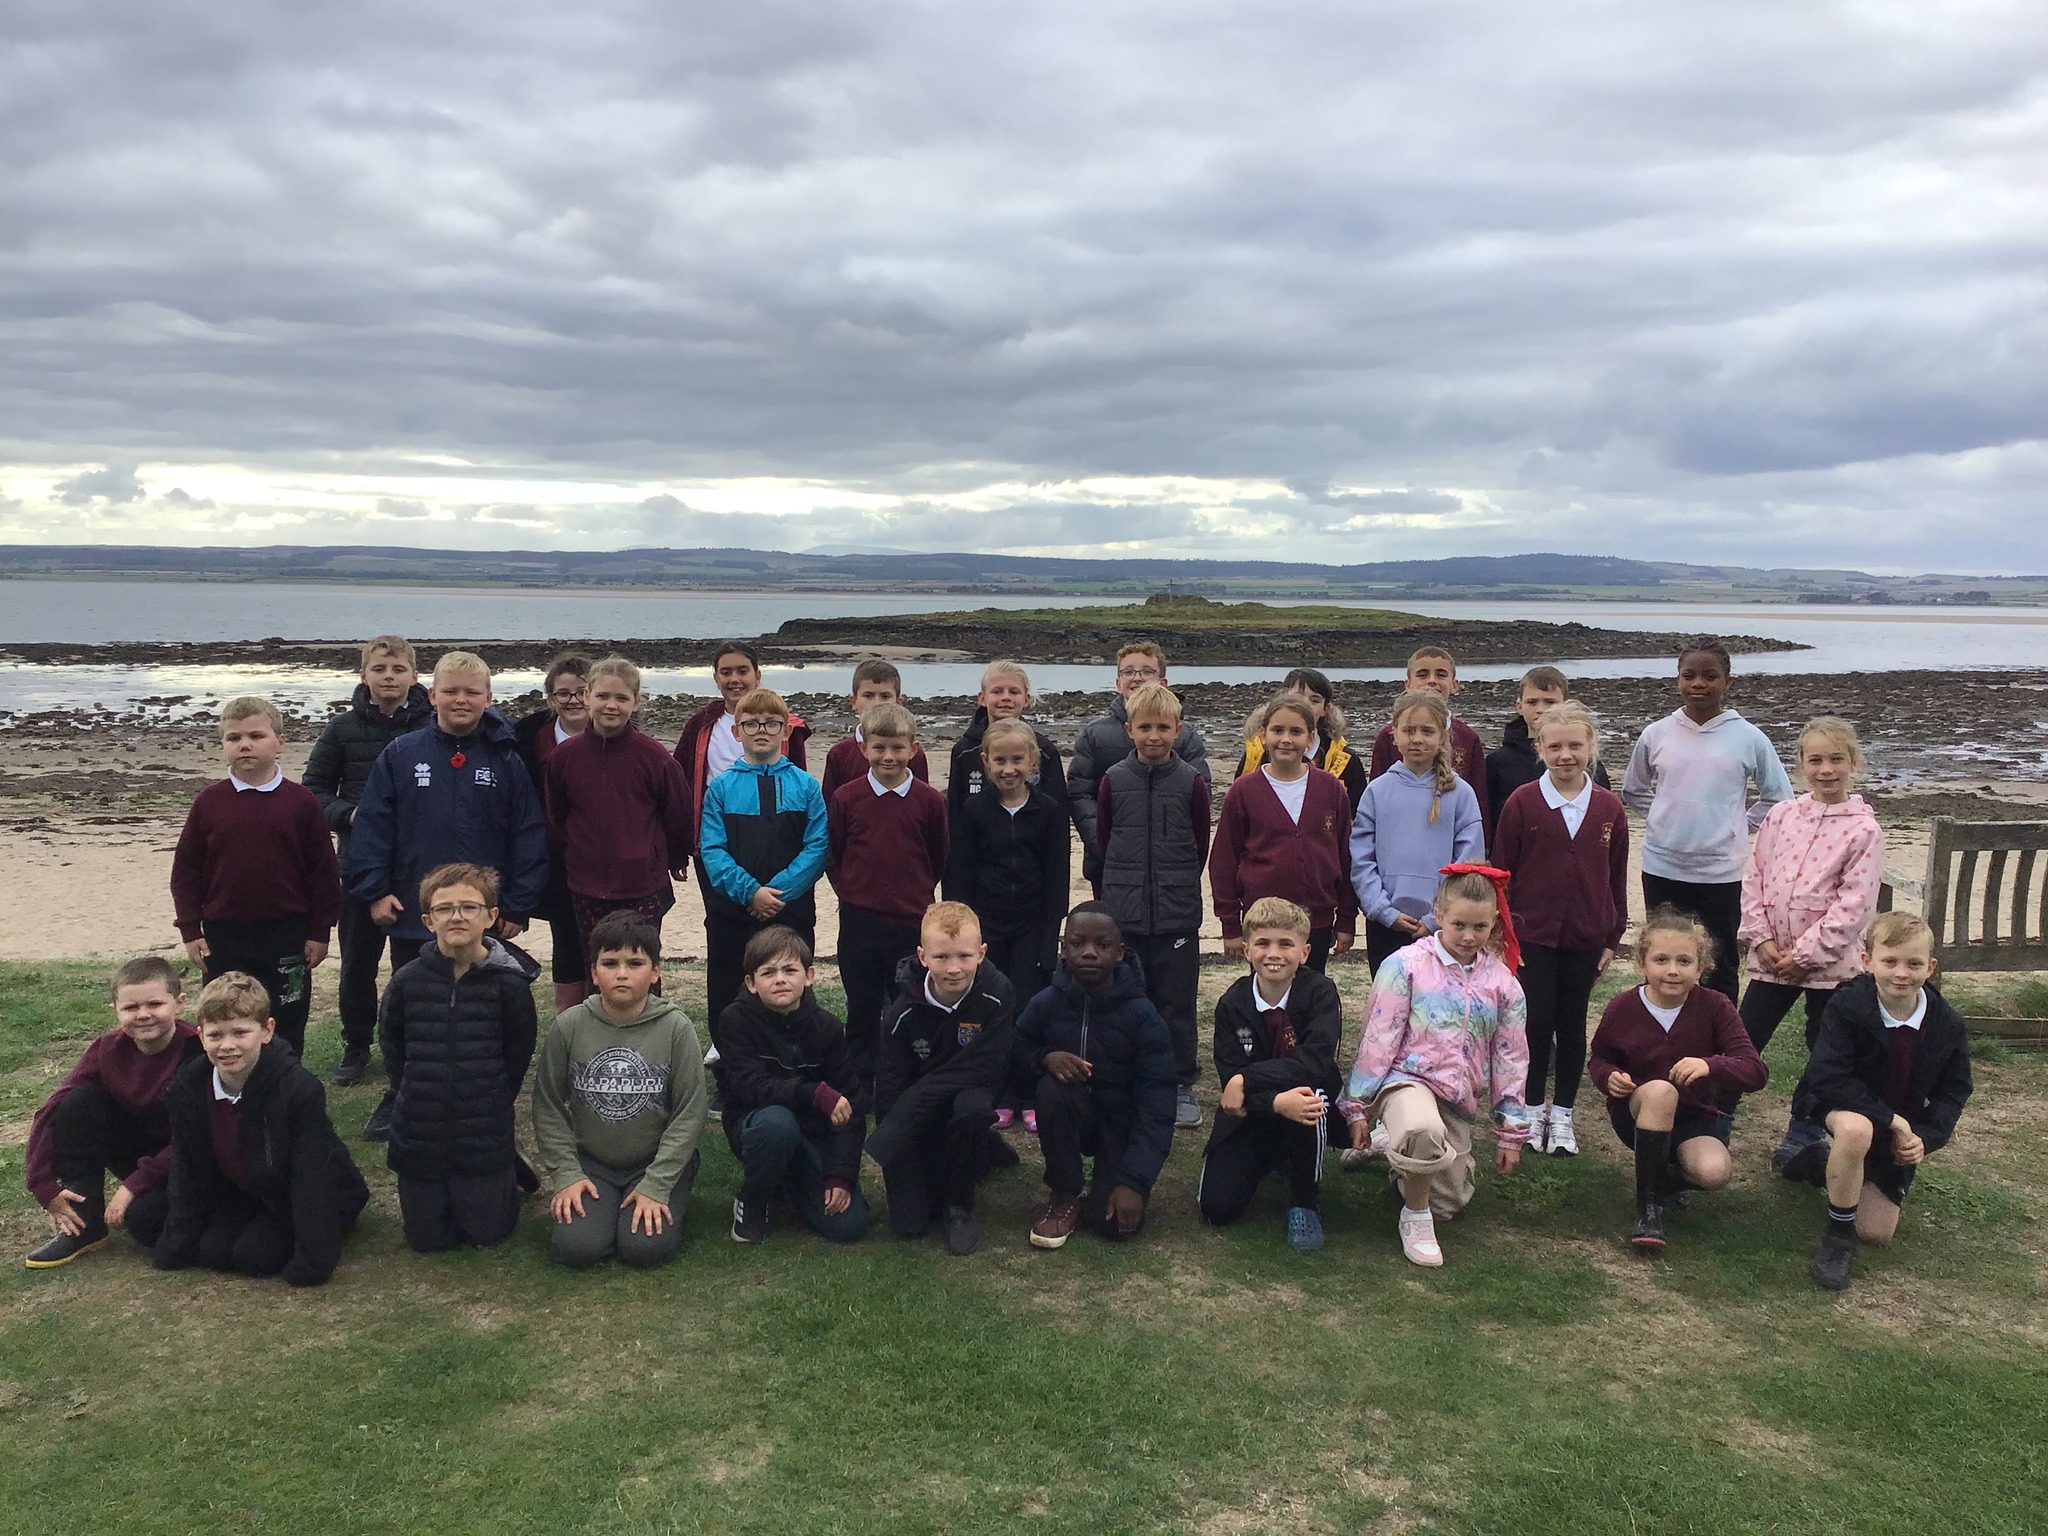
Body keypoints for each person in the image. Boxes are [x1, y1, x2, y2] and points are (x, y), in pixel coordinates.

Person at [348, 650, 548, 1140]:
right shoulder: (401, 754)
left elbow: (528, 832)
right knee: (416, 1009)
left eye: (471, 692)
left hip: (485, 917)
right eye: (451, 690)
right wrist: (374, 891)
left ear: (488, 698)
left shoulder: (504, 759)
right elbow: (372, 826)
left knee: (485, 1008)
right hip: (417, 916)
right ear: (432, 694)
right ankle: (402, 1092)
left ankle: (486, 1092)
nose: (461, 700)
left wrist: (518, 903)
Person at [1337, 868, 1530, 1268]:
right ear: (1438, 914)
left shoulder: (1503, 982)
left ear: (1493, 922)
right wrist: (1357, 1106)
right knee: (1423, 1131)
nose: (1468, 936)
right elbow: (1378, 1037)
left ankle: (1392, 1145)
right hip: (1406, 1081)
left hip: (1458, 1097)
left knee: (1450, 1203)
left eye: (1479, 927)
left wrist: (1510, 1132)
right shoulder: (1405, 965)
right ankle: (1415, 1217)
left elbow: (1511, 1056)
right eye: (1458, 924)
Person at [1784, 912, 1973, 1291]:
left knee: (1876, 1232)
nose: (1901, 973)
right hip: (1836, 1103)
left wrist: (1925, 1135)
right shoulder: (1847, 1006)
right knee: (1856, 1130)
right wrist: (1893, 1120)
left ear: (1931, 967)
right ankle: (1837, 1239)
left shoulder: (1945, 1022)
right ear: (1868, 962)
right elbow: (1828, 1076)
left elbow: (1955, 1089)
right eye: (1890, 962)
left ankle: (1818, 1162)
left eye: (1914, 964)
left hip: (1895, 1123)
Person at [153, 972, 370, 1286]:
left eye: (241, 1032)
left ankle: (329, 1226)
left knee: (254, 1256)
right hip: (246, 1190)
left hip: (296, 1191)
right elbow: (184, 1166)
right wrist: (174, 1247)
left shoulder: (297, 1088)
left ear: (267, 1031)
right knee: (212, 1251)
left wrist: (313, 1263)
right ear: (200, 1036)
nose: (228, 1045)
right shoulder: (189, 1084)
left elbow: (312, 1176)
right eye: (216, 1035)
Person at [1738, 717, 1885, 1163]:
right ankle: (1713, 1115)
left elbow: (1854, 905)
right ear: (1800, 764)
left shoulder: (1864, 831)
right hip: (1771, 957)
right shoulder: (1781, 815)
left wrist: (1806, 955)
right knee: (1744, 1039)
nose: (1826, 769)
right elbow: (1755, 876)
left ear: (1853, 762)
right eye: (1815, 759)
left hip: (1830, 966)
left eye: (1836, 759)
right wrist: (1761, 938)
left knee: (1826, 1051)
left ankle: (1805, 1129)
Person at [1489, 700, 1629, 1156]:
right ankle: (1530, 1107)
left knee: (1572, 1025)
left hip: (1586, 935)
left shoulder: (1609, 808)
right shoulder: (1523, 802)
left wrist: (1613, 936)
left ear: (1591, 746)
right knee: (1535, 1022)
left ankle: (1563, 1114)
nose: (1565, 755)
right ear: (1540, 748)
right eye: (1555, 746)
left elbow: (1616, 878)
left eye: (1575, 745)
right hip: (1532, 936)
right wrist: (1504, 934)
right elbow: (1501, 874)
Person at [532, 910, 709, 1270]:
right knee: (576, 1249)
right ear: (594, 973)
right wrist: (567, 1174)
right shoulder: (569, 1026)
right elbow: (548, 1104)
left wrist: (657, 1184)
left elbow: (690, 1112)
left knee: (645, 1248)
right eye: (610, 963)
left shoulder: (676, 1028)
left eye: (635, 962)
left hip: (655, 1161)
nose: (623, 973)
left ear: (656, 971)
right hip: (592, 1163)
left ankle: (673, 1191)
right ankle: (606, 1208)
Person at [378, 863, 540, 1254]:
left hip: (482, 1131)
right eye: (444, 908)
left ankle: (507, 1177)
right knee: (427, 1241)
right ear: (427, 921)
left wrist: (492, 1096)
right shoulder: (407, 982)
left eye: (469, 907)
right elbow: (393, 1048)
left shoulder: (510, 986)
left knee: (487, 1233)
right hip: (421, 1132)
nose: (457, 916)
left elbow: (517, 1054)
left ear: (491, 916)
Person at [1622, 635, 1794, 1003]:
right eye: (1689, 675)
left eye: (1709, 676)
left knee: (1720, 964)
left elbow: (1778, 798)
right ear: (1678, 679)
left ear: (1727, 682)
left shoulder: (1749, 737)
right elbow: (1634, 789)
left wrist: (1735, 825)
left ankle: (1720, 1048)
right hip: (1662, 866)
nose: (1698, 684)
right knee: (1663, 957)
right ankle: (1661, 1032)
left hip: (1722, 872)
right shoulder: (1657, 734)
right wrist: (1666, 818)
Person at [171, 695, 341, 1058]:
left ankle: (285, 1087)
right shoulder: (209, 802)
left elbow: (324, 871)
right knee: (226, 1014)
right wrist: (190, 930)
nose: (245, 744)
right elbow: (186, 870)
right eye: (234, 738)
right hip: (223, 934)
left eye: (256, 736)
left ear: (279, 742)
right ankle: (228, 1088)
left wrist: (320, 931)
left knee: (286, 1016)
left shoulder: (301, 802)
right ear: (223, 746)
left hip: (287, 934)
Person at [1588, 909, 1767, 1251]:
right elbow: (1599, 1057)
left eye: (1684, 961)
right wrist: (1609, 1078)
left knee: (1715, 1173)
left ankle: (1664, 1179)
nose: (1672, 970)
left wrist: (1710, 1066)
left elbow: (1754, 1070)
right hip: (1638, 1113)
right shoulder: (1623, 1007)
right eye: (1661, 960)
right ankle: (1649, 1210)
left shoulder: (1715, 1006)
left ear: (1701, 968)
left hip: (1693, 1116)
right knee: (1660, 1091)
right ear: (1642, 964)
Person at [304, 634, 433, 1084]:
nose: (389, 677)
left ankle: (406, 1046)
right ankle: (356, 1045)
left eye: (398, 669)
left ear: (415, 676)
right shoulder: (342, 730)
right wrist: (350, 814)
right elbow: (313, 791)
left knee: (411, 965)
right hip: (358, 865)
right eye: (379, 669)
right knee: (358, 965)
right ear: (364, 675)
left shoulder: (432, 724)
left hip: (418, 867)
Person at [1012, 904, 1177, 1249]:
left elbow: (1158, 1105)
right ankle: (1065, 1192)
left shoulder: (1143, 1015)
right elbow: (1014, 1059)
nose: (1088, 952)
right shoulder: (1045, 1003)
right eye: (1077, 943)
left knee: (1113, 1227)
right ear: (1063, 948)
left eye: (1102, 945)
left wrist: (1135, 1182)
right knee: (1051, 1090)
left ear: (1119, 953)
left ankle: (1108, 1184)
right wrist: (1045, 1058)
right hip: (1072, 1116)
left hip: (1120, 1125)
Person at [23, 957, 202, 1269]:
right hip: (137, 1150)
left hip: (189, 1159)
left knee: (145, 1222)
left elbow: (199, 1135)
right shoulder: (108, 1048)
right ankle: (84, 1225)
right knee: (78, 1102)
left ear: (179, 1003)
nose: (143, 1014)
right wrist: (41, 1182)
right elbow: (53, 1108)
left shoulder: (197, 1050)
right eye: (131, 1008)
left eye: (155, 1004)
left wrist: (133, 1185)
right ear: (115, 1011)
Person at [941, 717, 1070, 1128]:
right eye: (1000, 760)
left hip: (1032, 926)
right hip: (986, 929)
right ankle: (999, 1095)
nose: (1009, 768)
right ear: (985, 762)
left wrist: (1051, 936)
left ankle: (1029, 1094)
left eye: (1018, 759)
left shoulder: (1048, 811)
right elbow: (958, 873)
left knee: (1029, 1010)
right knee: (990, 1011)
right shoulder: (973, 810)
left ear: (1033, 761)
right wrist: (961, 932)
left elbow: (1058, 878)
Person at [868, 902, 1018, 1255]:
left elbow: (985, 1066)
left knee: (972, 1108)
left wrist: (918, 1098)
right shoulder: (899, 1014)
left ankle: (959, 1206)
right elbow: (890, 1092)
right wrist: (893, 1146)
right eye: (941, 957)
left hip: (968, 1094)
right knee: (910, 1225)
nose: (953, 969)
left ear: (982, 953)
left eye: (965, 956)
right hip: (916, 1111)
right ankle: (980, 1153)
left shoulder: (999, 994)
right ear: (922, 957)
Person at [1095, 681, 1212, 1128]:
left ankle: (1180, 1083)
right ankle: (1125, 1078)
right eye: (1145, 727)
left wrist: (1175, 883)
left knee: (1175, 1004)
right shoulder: (1113, 780)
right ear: (1129, 729)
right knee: (1125, 999)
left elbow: (1200, 841)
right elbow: (1105, 839)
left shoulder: (1191, 782)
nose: (1154, 736)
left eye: (1163, 727)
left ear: (1177, 729)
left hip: (1176, 913)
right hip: (1124, 913)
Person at [1197, 898, 1344, 1252]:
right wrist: (1273, 1100)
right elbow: (1229, 1081)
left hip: (1307, 1099)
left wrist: (1249, 1079)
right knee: (1217, 1209)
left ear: (1305, 952)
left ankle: (1304, 1201)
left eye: (1285, 944)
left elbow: (1314, 1063)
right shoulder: (1233, 1004)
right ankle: (1269, 1155)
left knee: (1309, 1100)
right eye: (1263, 943)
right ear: (1246, 950)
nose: (1273, 953)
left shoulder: (1321, 993)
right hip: (1253, 1110)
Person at [712, 927, 870, 1244]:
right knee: (777, 1124)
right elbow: (750, 1085)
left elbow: (850, 1105)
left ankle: (791, 1182)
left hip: (814, 1134)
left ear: (809, 976)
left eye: (790, 970)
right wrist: (812, 1092)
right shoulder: (734, 1021)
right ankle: (753, 1202)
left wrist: (840, 1175)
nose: (780, 979)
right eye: (768, 973)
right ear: (751, 984)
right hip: (757, 1124)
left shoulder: (827, 1027)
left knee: (848, 1228)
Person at [827, 701, 949, 1086]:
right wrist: (852, 892)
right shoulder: (847, 797)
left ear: (914, 748)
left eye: (897, 748)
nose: (888, 756)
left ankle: (906, 1078)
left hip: (910, 920)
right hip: (860, 920)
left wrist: (914, 891)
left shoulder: (930, 801)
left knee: (909, 1003)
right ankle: (860, 1082)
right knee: (862, 1007)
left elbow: (937, 854)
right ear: (863, 748)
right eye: (879, 747)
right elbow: (835, 853)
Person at [542, 656, 691, 964]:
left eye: (621, 698)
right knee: (598, 965)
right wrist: (575, 854)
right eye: (603, 696)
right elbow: (556, 815)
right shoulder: (564, 757)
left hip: (642, 884)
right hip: (586, 882)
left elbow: (677, 812)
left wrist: (676, 857)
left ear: (636, 702)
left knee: (640, 963)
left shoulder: (655, 757)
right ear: (587, 697)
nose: (611, 705)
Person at [697, 688, 830, 1024]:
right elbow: (712, 849)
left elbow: (817, 846)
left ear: (786, 731)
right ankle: (730, 1059)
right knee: (731, 988)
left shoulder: (806, 786)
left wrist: (779, 892)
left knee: (791, 984)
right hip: (734, 910)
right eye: (751, 724)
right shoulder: (722, 788)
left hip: (791, 909)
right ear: (736, 731)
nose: (761, 731)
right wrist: (750, 893)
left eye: (771, 724)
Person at [1209, 692, 1356, 974]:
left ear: (1310, 739)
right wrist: (1230, 924)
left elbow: (1345, 855)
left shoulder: (1330, 789)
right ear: (1263, 736)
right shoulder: (1243, 791)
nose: (1286, 739)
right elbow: (1224, 862)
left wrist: (1346, 919)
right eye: (1278, 730)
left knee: (1310, 992)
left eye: (1296, 731)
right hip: (1262, 922)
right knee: (1267, 996)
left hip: (1317, 921)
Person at [1349, 690, 1485, 975]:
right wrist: (1383, 911)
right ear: (1394, 734)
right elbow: (1361, 860)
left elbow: (1468, 864)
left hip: (1444, 928)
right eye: (1409, 730)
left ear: (1442, 736)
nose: (1418, 739)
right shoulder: (1377, 791)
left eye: (1427, 730)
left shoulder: (1461, 794)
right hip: (1386, 924)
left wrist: (1437, 918)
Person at [1067, 642, 1207, 897]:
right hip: (1109, 865)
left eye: (1147, 671)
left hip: (1170, 866)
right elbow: (1080, 793)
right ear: (1118, 682)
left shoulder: (1186, 738)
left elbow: (1199, 803)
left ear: (1162, 682)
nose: (1137, 677)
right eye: (1128, 671)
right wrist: (1103, 845)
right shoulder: (1094, 734)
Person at [513, 650, 594, 1015]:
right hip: (549, 858)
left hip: (599, 858)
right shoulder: (528, 738)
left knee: (603, 942)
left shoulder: (614, 731)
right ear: (550, 698)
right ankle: (566, 1021)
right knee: (565, 940)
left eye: (582, 691)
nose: (574, 700)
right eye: (564, 693)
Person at [1482, 665, 1610, 845]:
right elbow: (1489, 818)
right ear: (1519, 706)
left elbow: (1605, 820)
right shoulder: (1498, 762)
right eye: (1532, 702)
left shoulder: (1587, 764)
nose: (1540, 709)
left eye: (1550, 702)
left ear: (1565, 704)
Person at [1368, 647, 1489, 828]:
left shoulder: (1468, 737)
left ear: (1454, 684)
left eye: (1441, 675)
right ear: (1407, 684)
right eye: (1423, 675)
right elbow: (1376, 794)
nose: (1432, 681)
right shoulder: (1388, 736)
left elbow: (1480, 800)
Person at [1233, 667, 1367, 814]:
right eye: (1297, 697)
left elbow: (1356, 816)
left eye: (1315, 700)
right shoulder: (1255, 756)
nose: (1305, 705)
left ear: (1325, 709)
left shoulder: (1346, 761)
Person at [946, 660, 1068, 816]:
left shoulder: (1044, 750)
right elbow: (954, 811)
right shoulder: (964, 751)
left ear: (1026, 699)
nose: (1006, 697)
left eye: (1014, 692)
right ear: (982, 698)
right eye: (997, 691)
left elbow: (1059, 811)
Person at [820, 659, 932, 803]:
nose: (877, 703)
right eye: (868, 696)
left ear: (899, 702)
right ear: (853, 701)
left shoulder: (912, 753)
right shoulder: (840, 753)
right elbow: (830, 807)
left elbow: (922, 799)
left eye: (885, 696)